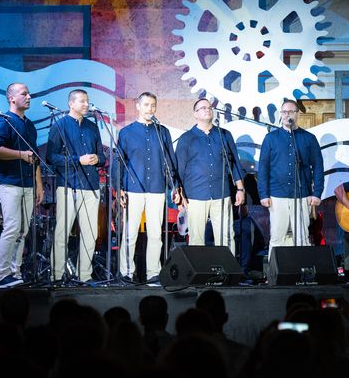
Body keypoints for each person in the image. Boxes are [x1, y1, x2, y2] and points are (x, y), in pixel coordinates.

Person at [116, 92, 178, 284]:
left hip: (157, 188)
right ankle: (126, 272)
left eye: (153, 105)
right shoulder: (126, 132)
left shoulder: (162, 132)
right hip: (133, 187)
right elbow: (119, 161)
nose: (150, 109)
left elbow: (170, 161)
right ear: (138, 106)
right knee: (130, 233)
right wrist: (119, 188)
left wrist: (175, 186)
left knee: (155, 234)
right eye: (146, 105)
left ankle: (153, 273)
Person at [0, 83, 44, 288]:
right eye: (24, 94)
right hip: (8, 182)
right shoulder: (4, 122)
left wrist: (39, 184)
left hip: (27, 183)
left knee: (23, 230)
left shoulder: (29, 125)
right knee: (11, 227)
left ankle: (15, 272)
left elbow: (34, 156)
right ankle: (1, 275)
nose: (29, 97)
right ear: (11, 98)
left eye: (29, 93)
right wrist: (20, 155)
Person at [46, 89, 106, 282]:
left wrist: (98, 158)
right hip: (68, 185)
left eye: (87, 101)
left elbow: (102, 157)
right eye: (82, 101)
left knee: (90, 233)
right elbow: (51, 157)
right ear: (71, 104)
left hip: (91, 185)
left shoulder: (92, 126)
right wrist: (78, 159)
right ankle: (56, 275)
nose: (86, 105)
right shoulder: (60, 125)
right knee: (63, 231)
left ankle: (85, 275)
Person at [174, 98, 245, 251]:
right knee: (197, 238)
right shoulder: (186, 138)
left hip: (222, 193)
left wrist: (240, 189)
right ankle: (199, 274)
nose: (207, 109)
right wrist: (180, 196)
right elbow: (179, 169)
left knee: (226, 236)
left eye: (209, 107)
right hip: (195, 194)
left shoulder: (224, 135)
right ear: (195, 114)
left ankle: (227, 273)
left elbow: (235, 164)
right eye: (202, 108)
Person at [257, 99, 324, 250]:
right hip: (277, 195)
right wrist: (263, 194)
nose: (287, 115)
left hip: (302, 195)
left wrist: (317, 193)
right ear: (281, 114)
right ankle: (276, 273)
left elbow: (318, 166)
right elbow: (263, 168)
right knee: (277, 237)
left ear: (297, 114)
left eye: (291, 111)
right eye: (284, 112)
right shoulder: (271, 138)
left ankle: (302, 272)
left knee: (302, 238)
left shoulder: (309, 138)